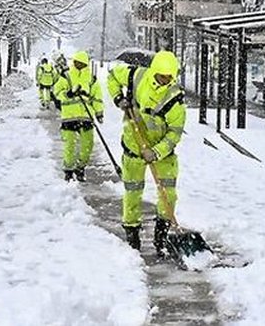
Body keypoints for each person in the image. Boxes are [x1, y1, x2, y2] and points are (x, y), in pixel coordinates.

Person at [107, 50, 185, 254]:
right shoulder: (136, 75)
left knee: (168, 194)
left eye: (169, 77)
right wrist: (118, 98)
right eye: (161, 75)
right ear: (154, 71)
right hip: (134, 145)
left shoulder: (175, 100)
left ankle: (161, 235)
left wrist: (157, 152)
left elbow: (174, 134)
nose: (164, 80)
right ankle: (132, 233)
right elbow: (113, 76)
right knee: (133, 192)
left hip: (161, 153)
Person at [51, 50, 103, 182]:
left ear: (86, 64)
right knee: (70, 145)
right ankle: (68, 170)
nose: (78, 65)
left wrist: (99, 113)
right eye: (76, 62)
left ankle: (80, 167)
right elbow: (57, 91)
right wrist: (68, 94)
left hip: (86, 116)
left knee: (88, 145)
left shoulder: (91, 79)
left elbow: (97, 97)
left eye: (81, 63)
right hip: (69, 117)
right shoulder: (66, 76)